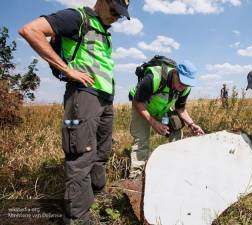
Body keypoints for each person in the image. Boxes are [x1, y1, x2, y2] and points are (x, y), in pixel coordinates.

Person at [19, 0, 130, 223]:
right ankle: (78, 217)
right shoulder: (77, 18)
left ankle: (97, 198)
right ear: (102, 1)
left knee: (101, 153)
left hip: (104, 99)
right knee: (81, 155)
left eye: (121, 14)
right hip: (83, 95)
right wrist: (67, 70)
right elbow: (30, 30)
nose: (116, 18)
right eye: (114, 11)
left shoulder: (104, 31)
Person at [128, 60, 205, 179]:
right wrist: (154, 123)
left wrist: (191, 124)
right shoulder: (153, 78)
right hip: (141, 106)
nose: (182, 86)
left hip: (161, 109)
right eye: (181, 81)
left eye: (187, 84)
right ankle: (136, 176)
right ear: (175, 72)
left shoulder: (185, 88)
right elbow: (137, 102)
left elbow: (180, 108)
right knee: (141, 140)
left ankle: (174, 165)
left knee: (177, 126)